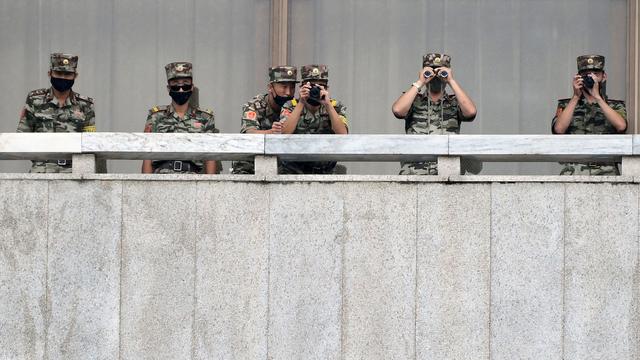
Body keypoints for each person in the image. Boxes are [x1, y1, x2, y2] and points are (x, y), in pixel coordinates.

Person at [392, 53, 477, 175]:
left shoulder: (454, 102)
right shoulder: (414, 100)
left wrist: (451, 81)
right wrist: (420, 81)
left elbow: (471, 112)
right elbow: (398, 110)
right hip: (413, 173)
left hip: (447, 174)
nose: (435, 76)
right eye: (430, 71)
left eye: (440, 71)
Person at [17, 53, 95, 173]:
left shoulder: (85, 105)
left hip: (74, 172)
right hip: (42, 170)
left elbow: (91, 143)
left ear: (75, 76)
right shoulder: (35, 99)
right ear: (50, 74)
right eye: (58, 73)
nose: (63, 78)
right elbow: (21, 137)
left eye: (68, 74)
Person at [552, 54, 627, 175]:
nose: (591, 78)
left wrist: (598, 97)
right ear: (578, 77)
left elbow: (621, 126)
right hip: (573, 172)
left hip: (606, 171)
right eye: (586, 74)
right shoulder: (567, 105)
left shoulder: (614, 106)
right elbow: (559, 129)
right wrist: (576, 96)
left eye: (595, 74)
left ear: (604, 76)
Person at [142, 62, 218, 174]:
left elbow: (210, 155)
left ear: (191, 87)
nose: (181, 89)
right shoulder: (156, 116)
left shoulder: (205, 118)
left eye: (185, 84)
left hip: (193, 178)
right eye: (176, 85)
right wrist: (145, 184)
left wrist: (210, 186)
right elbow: (147, 152)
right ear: (168, 88)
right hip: (161, 176)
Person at [279, 64, 349, 174]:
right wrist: (301, 102)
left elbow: (343, 134)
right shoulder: (290, 105)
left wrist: (328, 105)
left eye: (320, 86)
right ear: (302, 87)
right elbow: (284, 133)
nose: (315, 90)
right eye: (311, 87)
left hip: (325, 170)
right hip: (293, 170)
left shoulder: (335, 106)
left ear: (327, 89)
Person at [232, 66, 298, 174]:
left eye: (292, 88)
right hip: (250, 166)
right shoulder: (255, 105)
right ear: (270, 87)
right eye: (284, 87)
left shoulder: (295, 107)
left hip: (284, 167)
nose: (288, 92)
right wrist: (272, 133)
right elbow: (249, 133)